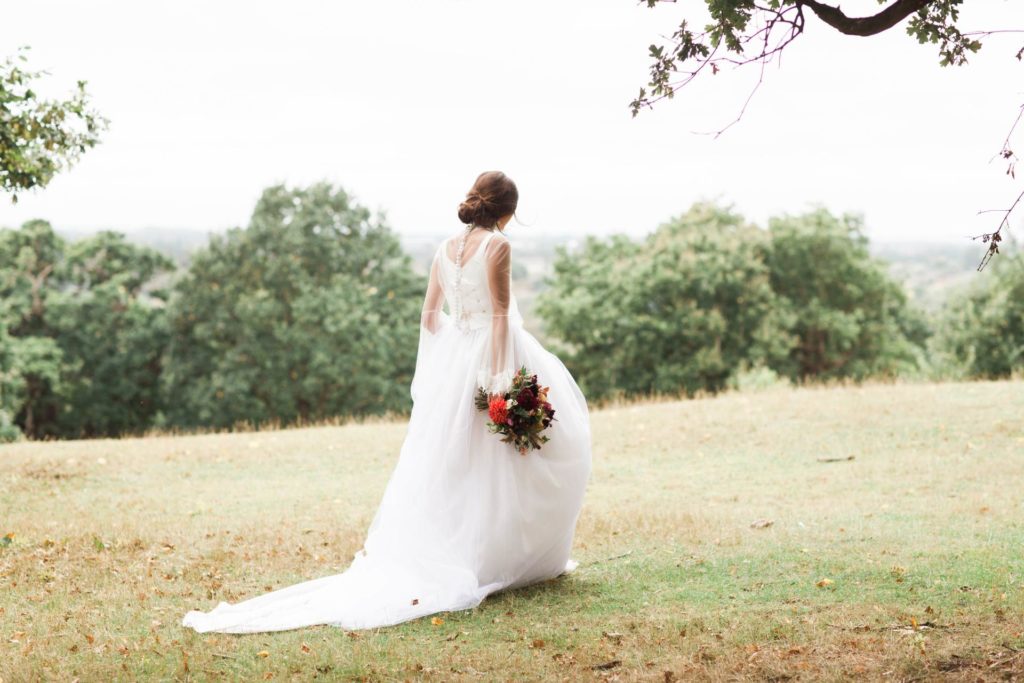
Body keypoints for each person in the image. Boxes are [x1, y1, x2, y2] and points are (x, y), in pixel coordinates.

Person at [181, 170, 593, 633]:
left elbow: (429, 315)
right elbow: (499, 316)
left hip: (458, 356)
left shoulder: (444, 249)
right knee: (525, 454)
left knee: (460, 461)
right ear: (508, 211)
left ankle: (488, 551)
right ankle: (502, 555)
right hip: (491, 354)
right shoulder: (498, 246)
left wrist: (446, 364)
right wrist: (498, 377)